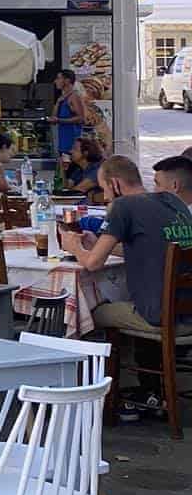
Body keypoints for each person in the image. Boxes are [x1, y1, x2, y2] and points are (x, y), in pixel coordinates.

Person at [59, 153, 192, 338]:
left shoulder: (123, 205)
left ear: (114, 184)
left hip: (159, 315)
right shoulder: (175, 203)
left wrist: (73, 246)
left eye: (104, 188)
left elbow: (92, 264)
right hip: (187, 312)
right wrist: (97, 244)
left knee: (88, 312)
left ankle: (97, 365)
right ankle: (144, 358)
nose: (105, 196)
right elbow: (151, 248)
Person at [53, 68, 90, 160]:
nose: (55, 81)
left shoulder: (74, 97)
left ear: (67, 80)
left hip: (72, 145)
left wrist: (59, 120)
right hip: (63, 145)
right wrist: (58, 103)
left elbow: (81, 118)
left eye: (58, 78)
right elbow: (54, 117)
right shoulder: (62, 98)